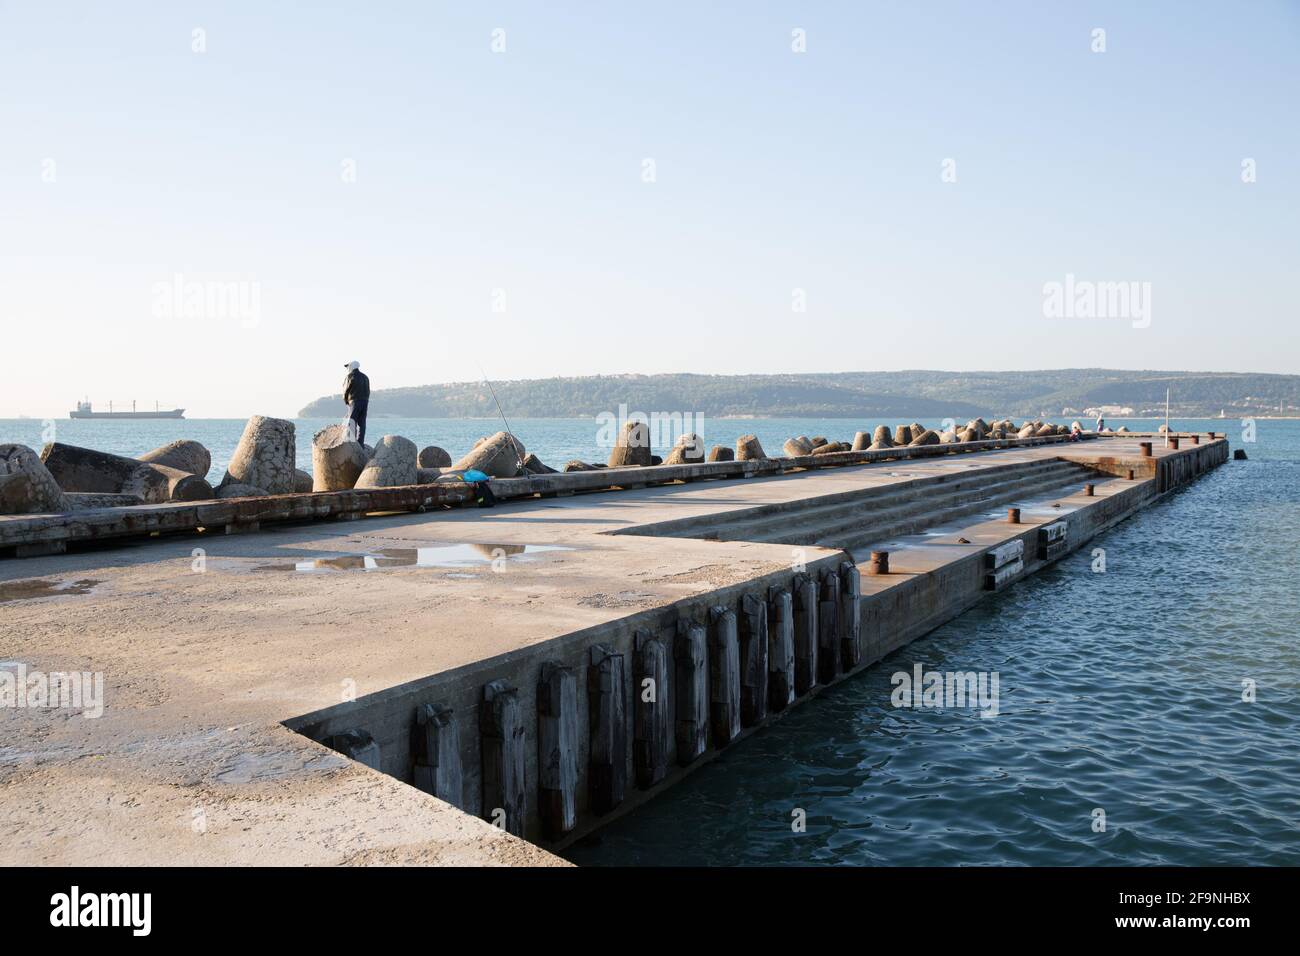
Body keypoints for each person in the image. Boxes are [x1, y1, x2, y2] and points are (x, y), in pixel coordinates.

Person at [343, 360, 370, 445]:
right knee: (362, 423)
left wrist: (346, 401)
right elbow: (368, 390)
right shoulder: (365, 377)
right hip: (365, 401)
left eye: (348, 366)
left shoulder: (350, 376)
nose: (347, 368)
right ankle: (360, 443)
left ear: (351, 366)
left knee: (352, 421)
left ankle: (351, 443)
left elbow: (346, 390)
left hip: (354, 401)